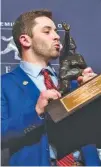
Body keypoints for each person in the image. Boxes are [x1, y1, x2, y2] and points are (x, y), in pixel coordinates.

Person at [1, 9, 97, 166]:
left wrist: (92, 94)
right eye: (47, 31)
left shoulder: (74, 83)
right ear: (25, 40)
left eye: (55, 30)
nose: (57, 36)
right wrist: (36, 112)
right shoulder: (4, 84)